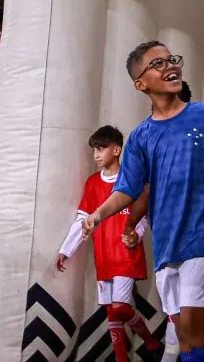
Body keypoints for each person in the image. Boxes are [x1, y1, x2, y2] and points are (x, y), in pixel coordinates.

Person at [84, 42, 204, 359]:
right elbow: (128, 190)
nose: (170, 66)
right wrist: (97, 215)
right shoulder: (140, 136)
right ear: (141, 84)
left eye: (172, 59)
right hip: (166, 245)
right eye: (159, 63)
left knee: (193, 322)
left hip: (199, 238)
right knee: (182, 330)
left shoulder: (201, 115)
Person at [55, 125, 162, 361]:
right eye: (94, 149)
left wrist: (136, 234)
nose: (96, 154)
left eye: (101, 148)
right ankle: (122, 358)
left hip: (126, 253)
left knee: (120, 307)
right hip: (103, 255)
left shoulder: (132, 179)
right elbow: (82, 219)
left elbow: (144, 214)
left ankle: (152, 341)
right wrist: (67, 250)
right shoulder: (93, 183)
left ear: (116, 150)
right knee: (111, 313)